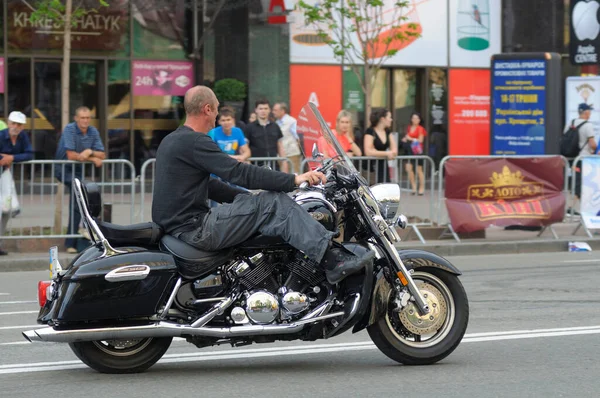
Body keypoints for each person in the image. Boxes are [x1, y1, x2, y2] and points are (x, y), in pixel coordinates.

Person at [152, 86, 373, 284]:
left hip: (180, 228)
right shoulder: (196, 141)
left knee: (261, 203)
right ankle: (333, 261)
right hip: (195, 229)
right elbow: (237, 172)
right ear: (207, 109)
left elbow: (209, 185)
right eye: (217, 109)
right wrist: (294, 179)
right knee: (274, 202)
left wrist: (246, 197)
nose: (219, 115)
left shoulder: (172, 140)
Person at [55, 106, 105, 253]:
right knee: (79, 197)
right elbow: (70, 155)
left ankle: (73, 241)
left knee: (79, 200)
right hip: (63, 167)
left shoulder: (93, 131)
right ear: (76, 118)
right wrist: (91, 157)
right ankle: (72, 241)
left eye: (88, 118)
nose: (85, 121)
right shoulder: (69, 129)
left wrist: (89, 152)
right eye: (82, 118)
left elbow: (102, 154)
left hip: (78, 170)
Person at [0, 111, 34, 255]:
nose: (16, 127)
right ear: (8, 123)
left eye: (19, 124)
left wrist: (12, 158)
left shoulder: (23, 137)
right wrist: (3, 158)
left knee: (6, 212)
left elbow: (29, 154)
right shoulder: (1, 135)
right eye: (13, 123)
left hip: (5, 177)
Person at [565, 103, 598, 215]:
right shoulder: (588, 125)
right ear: (586, 112)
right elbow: (592, 144)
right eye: (589, 111)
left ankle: (575, 207)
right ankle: (573, 208)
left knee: (576, 181)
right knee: (581, 182)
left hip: (571, 157)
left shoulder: (571, 123)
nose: (590, 113)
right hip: (583, 158)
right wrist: (594, 151)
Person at [244, 100, 289, 172]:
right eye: (260, 109)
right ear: (256, 110)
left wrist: (284, 163)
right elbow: (244, 147)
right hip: (256, 167)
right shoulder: (249, 127)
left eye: (265, 108)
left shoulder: (275, 126)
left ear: (269, 110)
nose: (263, 111)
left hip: (274, 166)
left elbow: (280, 147)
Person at [363, 108, 397, 183]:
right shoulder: (370, 131)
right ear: (382, 119)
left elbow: (394, 151)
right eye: (389, 117)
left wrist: (376, 152)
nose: (391, 120)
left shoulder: (388, 132)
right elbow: (368, 152)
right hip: (371, 167)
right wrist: (387, 153)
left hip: (384, 166)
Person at [402, 112, 427, 195]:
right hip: (409, 150)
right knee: (408, 168)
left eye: (416, 118)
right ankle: (413, 187)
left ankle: (421, 188)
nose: (415, 120)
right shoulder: (409, 128)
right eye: (413, 118)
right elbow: (407, 137)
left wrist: (410, 138)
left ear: (419, 120)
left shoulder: (420, 128)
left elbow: (421, 140)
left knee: (419, 170)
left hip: (417, 151)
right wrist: (406, 139)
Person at [273, 102, 303, 174]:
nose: (273, 112)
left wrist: (297, 151)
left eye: (275, 110)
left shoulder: (292, 121)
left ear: (282, 111)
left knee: (295, 174)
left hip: (292, 154)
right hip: (281, 155)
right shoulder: (276, 123)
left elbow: (298, 138)